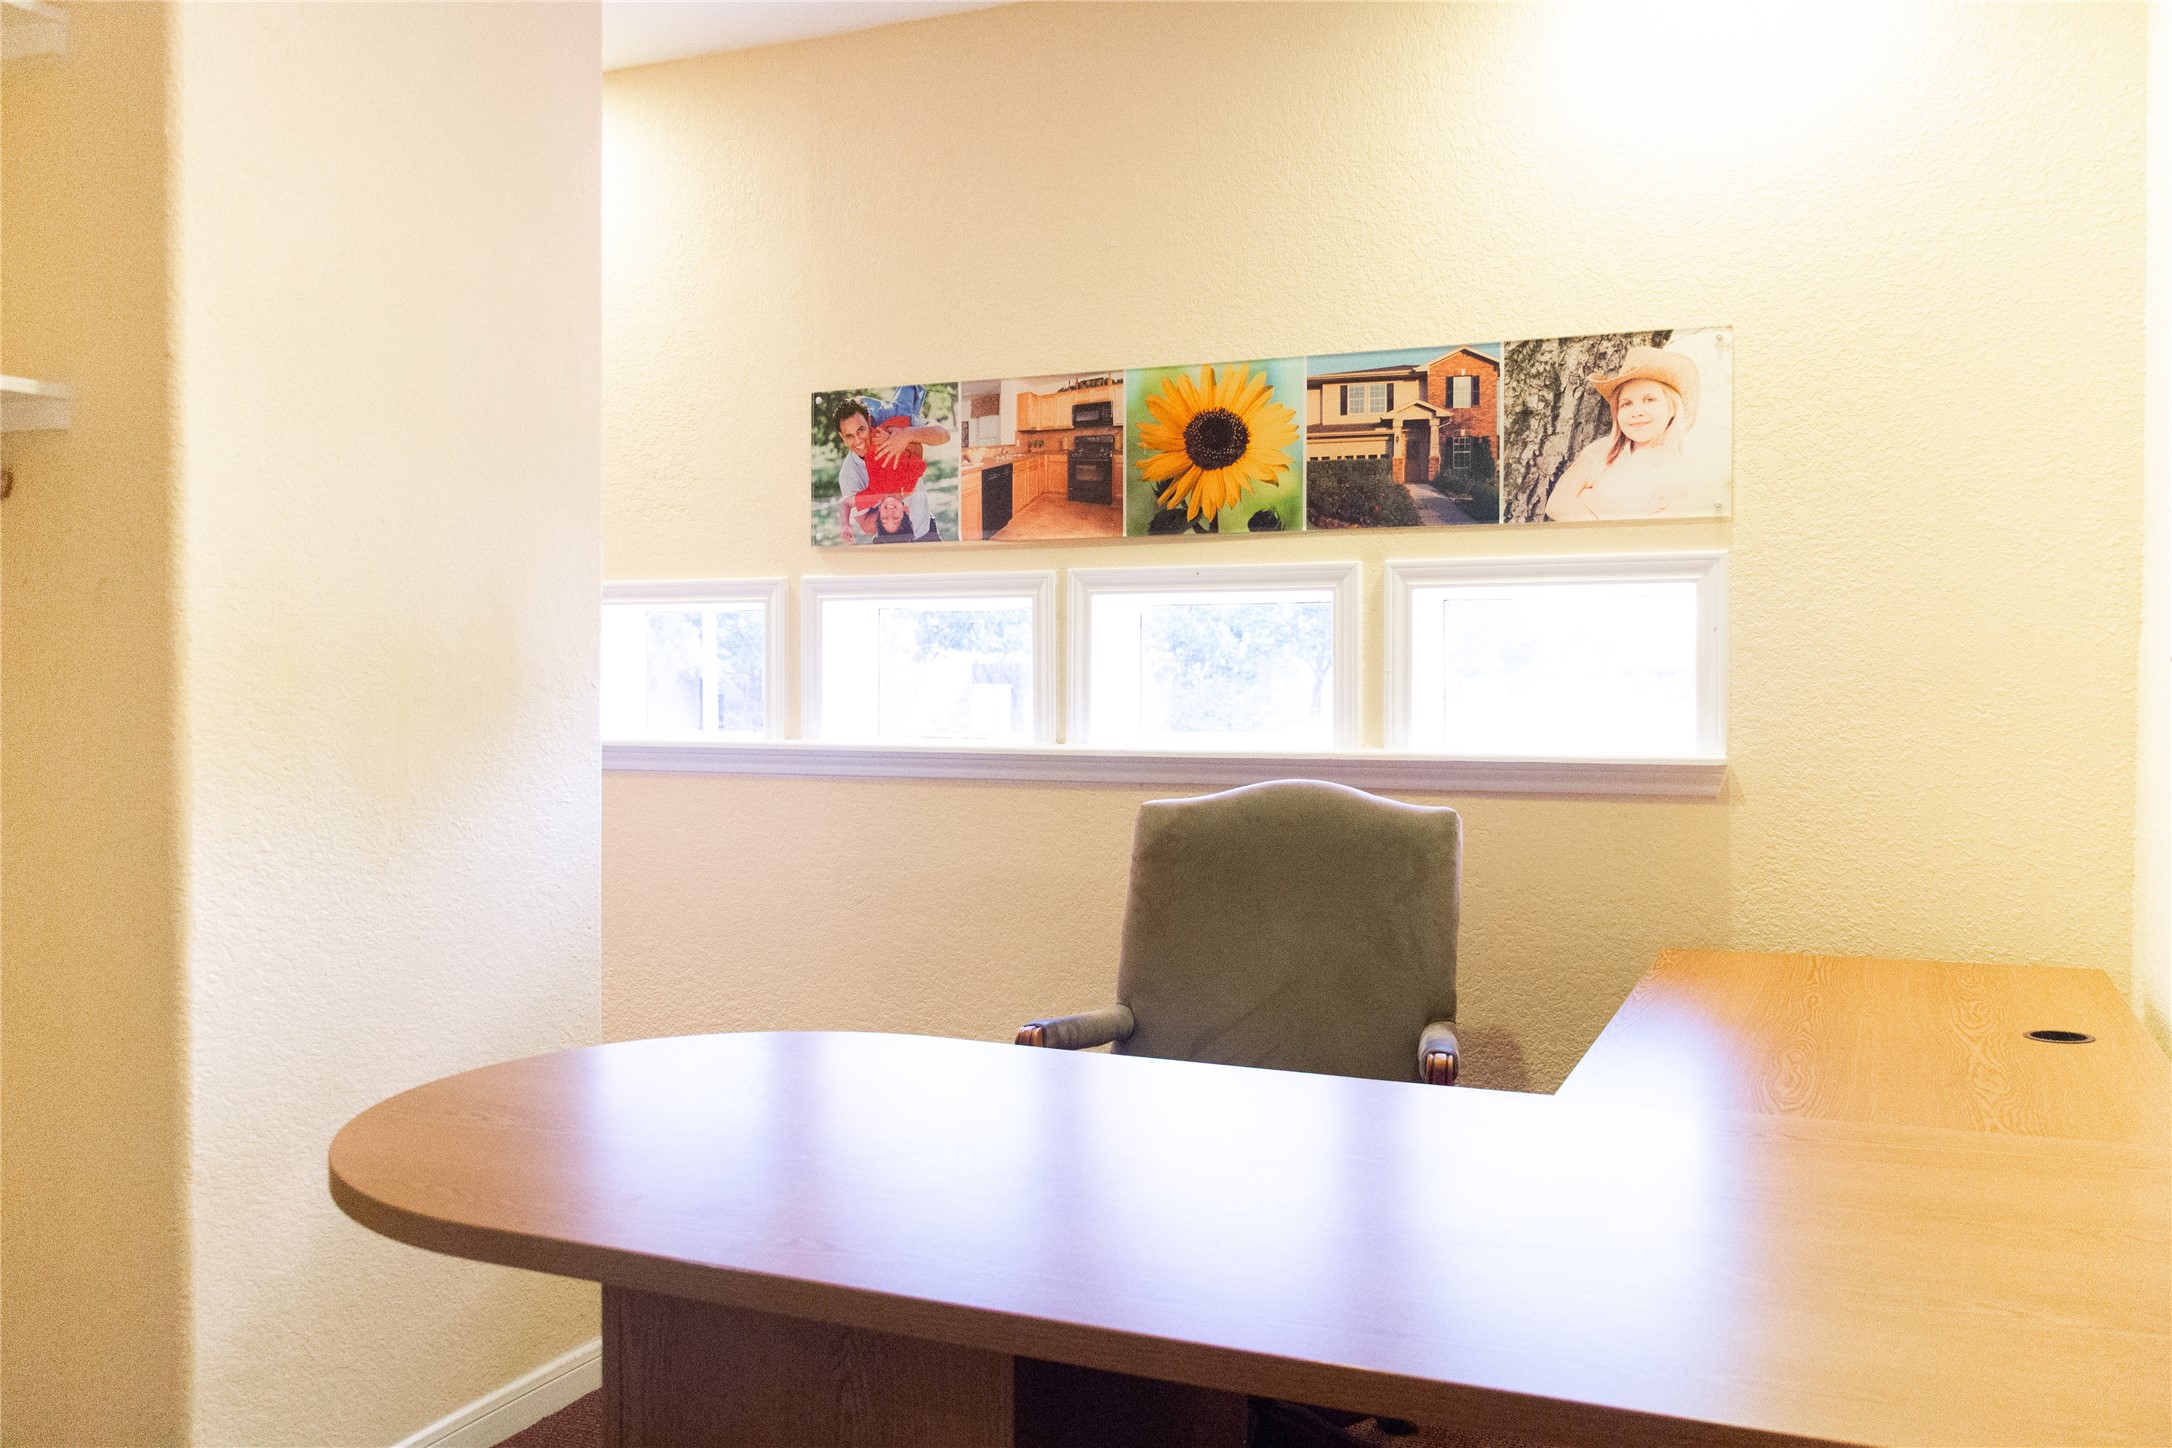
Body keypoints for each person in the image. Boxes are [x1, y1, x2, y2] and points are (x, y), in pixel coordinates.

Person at [1545, 345, 1705, 520]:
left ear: (1672, 408)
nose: (1637, 411)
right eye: (1626, 403)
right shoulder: (1599, 452)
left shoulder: (1676, 466)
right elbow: (1557, 505)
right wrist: (1627, 515)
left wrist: (1590, 497)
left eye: (1649, 400)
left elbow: (1650, 531)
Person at [835, 396, 950, 545]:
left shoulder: (874, 493)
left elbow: (944, 435)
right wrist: (899, 439)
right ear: (905, 510)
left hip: (922, 532)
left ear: (869, 421)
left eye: (861, 430)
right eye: (849, 436)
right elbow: (917, 453)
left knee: (906, 395)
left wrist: (905, 435)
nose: (857, 441)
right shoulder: (909, 486)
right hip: (907, 534)